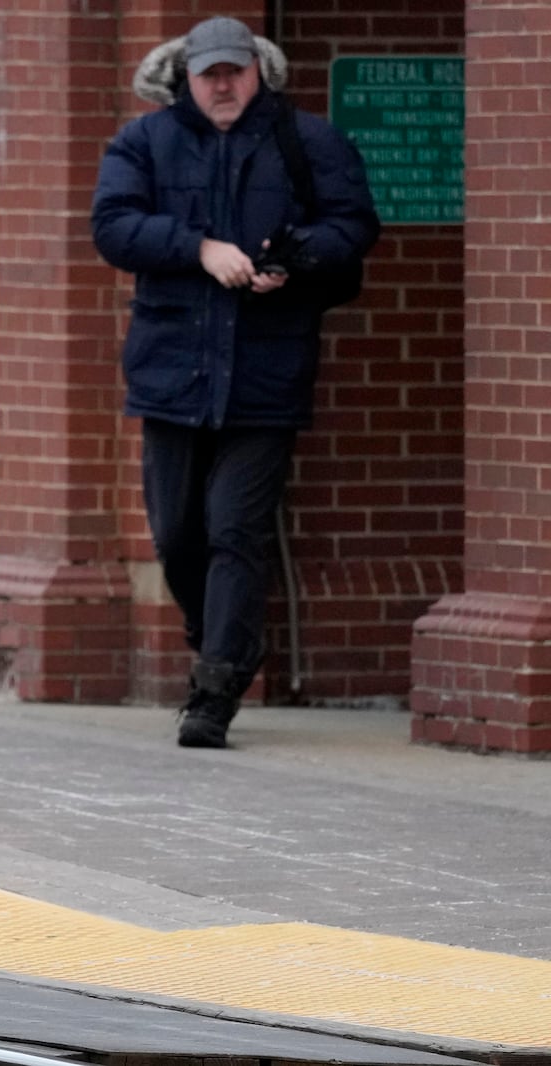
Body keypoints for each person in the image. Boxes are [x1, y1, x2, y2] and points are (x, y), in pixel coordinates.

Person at [90, 17, 379, 749]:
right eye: (209, 73)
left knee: (235, 530)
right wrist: (199, 248)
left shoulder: (308, 142)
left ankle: (216, 689)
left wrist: (296, 257)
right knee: (178, 533)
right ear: (185, 76)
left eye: (235, 71)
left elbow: (353, 231)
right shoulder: (144, 142)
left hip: (266, 372)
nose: (223, 85)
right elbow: (114, 227)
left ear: (259, 71)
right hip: (172, 374)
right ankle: (215, 629)